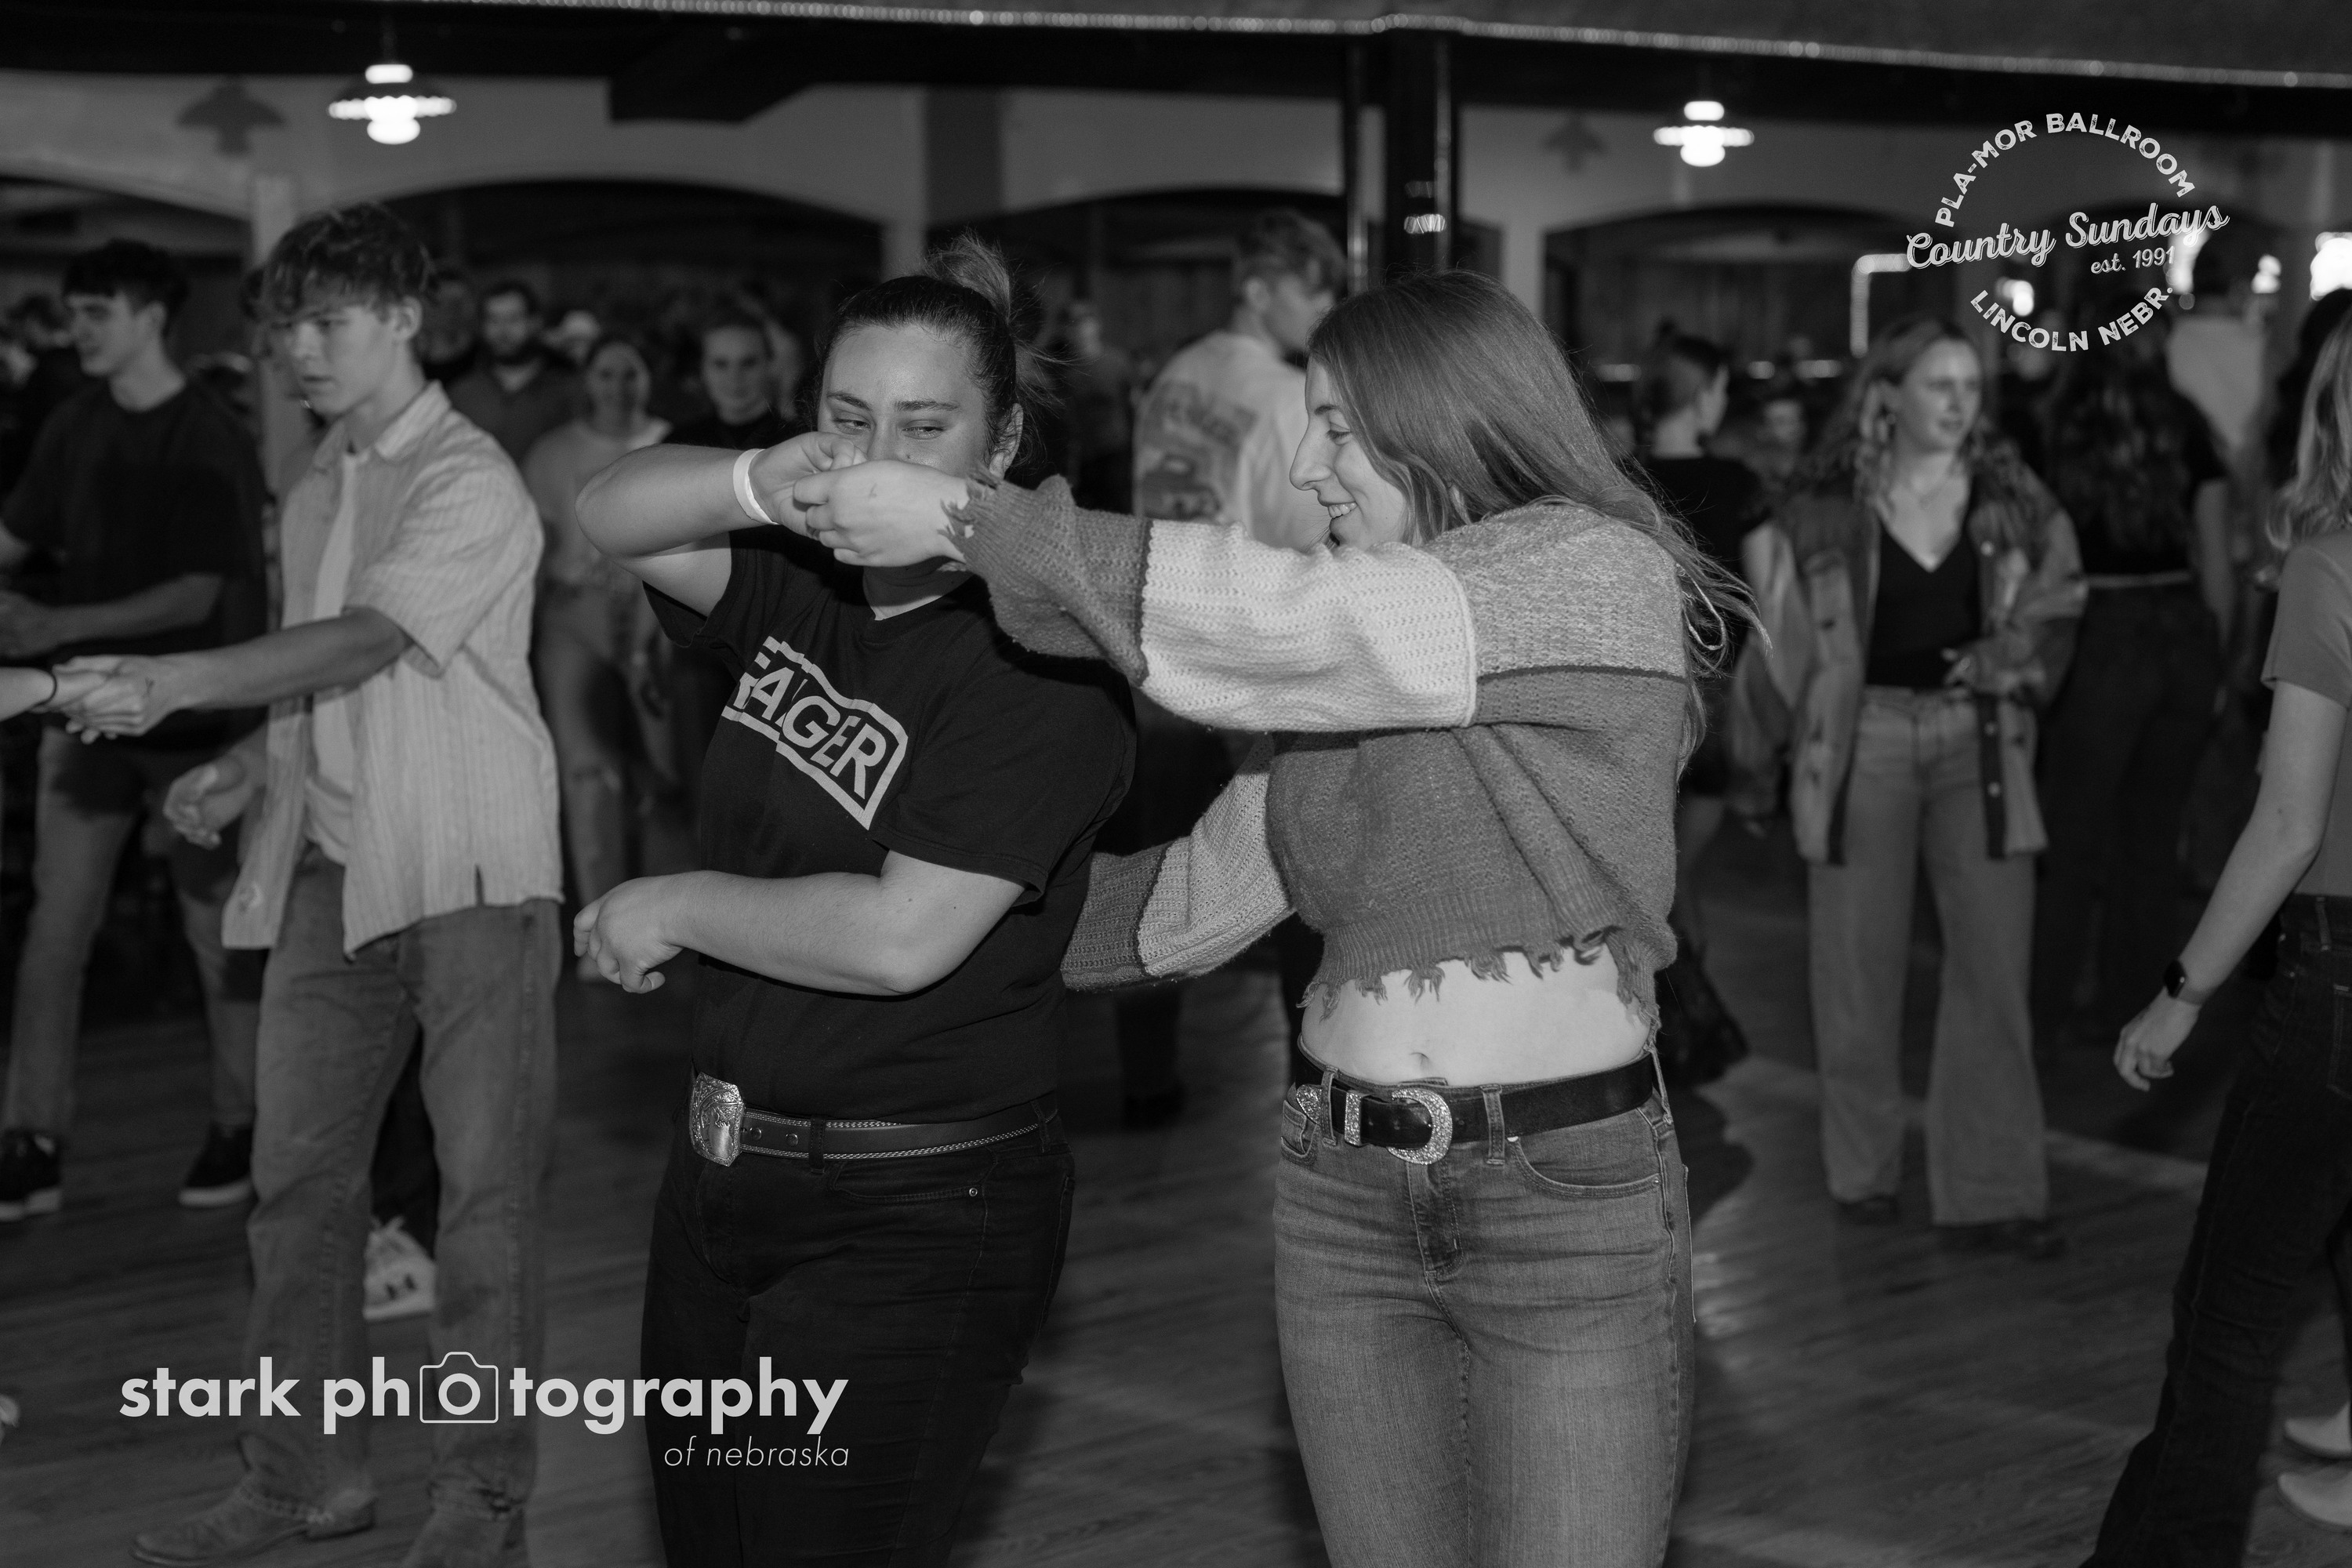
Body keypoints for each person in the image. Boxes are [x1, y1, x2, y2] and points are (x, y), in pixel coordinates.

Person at [793, 267, 1737, 1568]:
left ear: (1444, 418)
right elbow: (1195, 895)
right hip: (1343, 1200)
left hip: (1562, 1203)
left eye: (1337, 428)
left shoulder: (1590, 572)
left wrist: (971, 519)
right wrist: (924, 916)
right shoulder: (1352, 659)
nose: (1306, 464)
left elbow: (1308, 623)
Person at [572, 236, 1133, 1567]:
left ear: (1001, 452)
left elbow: (900, 939)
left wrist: (680, 902)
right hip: (720, 1184)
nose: (877, 458)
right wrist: (761, 480)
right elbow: (608, 514)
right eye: (849, 418)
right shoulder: (799, 582)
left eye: (924, 428)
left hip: (912, 1211)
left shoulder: (1043, 664)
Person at [64, 201, 562, 1568]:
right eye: (288, 330)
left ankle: (481, 1505)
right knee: (296, 1191)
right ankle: (303, 1480)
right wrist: (243, 764)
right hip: (331, 870)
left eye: (328, 324)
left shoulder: (469, 477)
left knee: (484, 1207)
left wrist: (176, 681)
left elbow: (365, 641)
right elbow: (322, 683)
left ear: (405, 319)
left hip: (466, 871)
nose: (301, 352)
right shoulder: (318, 480)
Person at [2083, 308, 2352, 1563]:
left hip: (2338, 992)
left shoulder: (2332, 567)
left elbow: (2287, 825)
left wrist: (2181, 992)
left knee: (2229, 1326)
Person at [1731, 314, 2085, 1257]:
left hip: (1982, 742)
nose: (1962, 401)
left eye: (1971, 384)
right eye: (1941, 383)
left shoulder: (2013, 495)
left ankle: (1993, 1189)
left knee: (1993, 972)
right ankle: (1864, 1173)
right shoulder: (1821, 508)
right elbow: (1779, 643)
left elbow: (2062, 593)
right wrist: (1758, 766)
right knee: (1855, 970)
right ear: (1887, 394)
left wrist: (2010, 655)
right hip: (1863, 741)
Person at [0, 239, 270, 1224]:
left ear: (152, 316)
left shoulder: (210, 433)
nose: (77, 329)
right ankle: (31, 1137)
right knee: (54, 928)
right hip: (81, 711)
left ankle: (240, 1124)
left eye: (95, 312)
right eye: (73, 312)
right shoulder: (73, 421)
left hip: (193, 714)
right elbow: (15, 534)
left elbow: (197, 594)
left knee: (215, 931)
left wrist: (52, 627)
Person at [1117, 209, 1345, 1122]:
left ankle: (1147, 1082)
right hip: (1249, 669)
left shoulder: (1177, 375)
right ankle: (1312, 1090)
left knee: (1157, 882)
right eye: (1312, 289)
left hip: (1159, 648)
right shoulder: (1288, 397)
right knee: (1294, 885)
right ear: (1258, 288)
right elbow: (1311, 542)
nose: (1324, 307)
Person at [2030, 305, 2233, 1048]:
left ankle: (2041, 1013)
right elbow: (2217, 560)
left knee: (2071, 837)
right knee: (2153, 840)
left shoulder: (2054, 427)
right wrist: (2222, 660)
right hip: (2181, 630)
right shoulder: (2186, 425)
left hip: (2098, 630)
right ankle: (2129, 1006)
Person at [1637, 331, 1764, 1086]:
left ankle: (1668, 1033)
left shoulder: (1615, 480)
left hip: (1640, 702)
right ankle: (1686, 1031)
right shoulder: (1737, 481)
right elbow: (1767, 599)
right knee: (1681, 878)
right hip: (1712, 703)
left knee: (1658, 878)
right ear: (1701, 394)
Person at [523, 334, 673, 932]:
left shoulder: (672, 442)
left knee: (664, 761)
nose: (617, 387)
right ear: (587, 380)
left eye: (629, 373)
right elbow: (536, 549)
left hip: (658, 611)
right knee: (588, 768)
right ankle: (602, 924)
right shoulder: (552, 453)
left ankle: (672, 917)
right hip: (575, 614)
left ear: (648, 379)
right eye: (605, 374)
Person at [447, 278, 576, 465]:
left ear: (535, 322)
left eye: (513, 319)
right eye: (494, 320)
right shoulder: (462, 394)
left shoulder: (568, 389)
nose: (503, 331)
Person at [670, 309, 804, 452]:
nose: (734, 377)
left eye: (748, 363)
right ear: (702, 368)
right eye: (721, 364)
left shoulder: (799, 442)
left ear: (770, 365)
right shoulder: (677, 445)